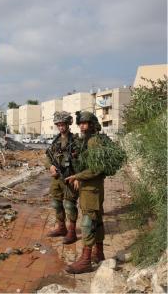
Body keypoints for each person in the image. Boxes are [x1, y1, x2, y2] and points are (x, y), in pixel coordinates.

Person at [64, 111, 106, 274]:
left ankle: (86, 260)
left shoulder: (94, 141)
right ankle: (99, 253)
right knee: (97, 221)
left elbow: (97, 168)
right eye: (81, 123)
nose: (82, 126)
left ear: (92, 124)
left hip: (92, 189)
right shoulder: (87, 140)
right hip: (91, 188)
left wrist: (77, 176)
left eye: (86, 123)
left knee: (88, 223)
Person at [44, 111, 79, 244]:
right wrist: (50, 167)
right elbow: (47, 157)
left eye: (63, 124)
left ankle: (72, 231)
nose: (61, 127)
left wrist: (77, 177)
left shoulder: (75, 141)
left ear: (68, 124)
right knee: (56, 203)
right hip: (57, 178)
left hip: (70, 177)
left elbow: (82, 161)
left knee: (70, 205)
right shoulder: (55, 141)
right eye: (58, 124)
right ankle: (61, 227)